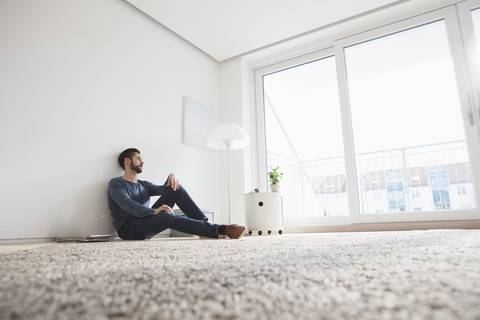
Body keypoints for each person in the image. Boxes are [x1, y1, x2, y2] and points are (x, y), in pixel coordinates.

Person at [108, 148, 246, 240]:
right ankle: (221, 229)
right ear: (127, 161)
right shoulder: (116, 183)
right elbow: (127, 205)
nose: (142, 161)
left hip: (145, 222)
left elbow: (167, 189)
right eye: (138, 158)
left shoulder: (144, 184)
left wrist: (172, 175)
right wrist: (154, 212)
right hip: (128, 229)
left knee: (175, 188)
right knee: (166, 216)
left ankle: (204, 228)